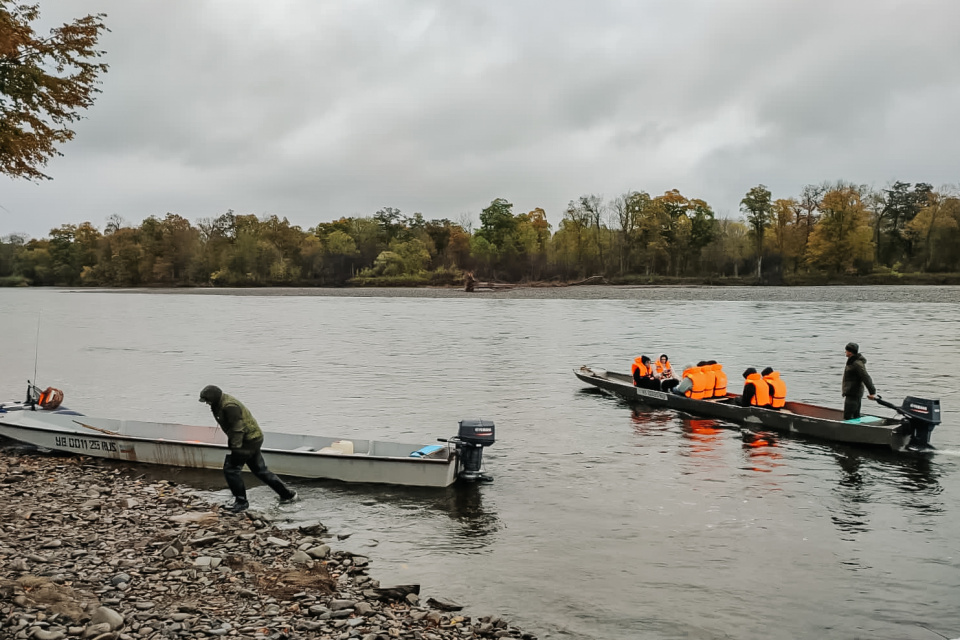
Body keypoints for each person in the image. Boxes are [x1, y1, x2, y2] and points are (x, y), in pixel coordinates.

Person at [199, 385, 298, 512]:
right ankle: (287, 494)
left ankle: (241, 503)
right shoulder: (220, 403)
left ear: (215, 398)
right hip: (254, 438)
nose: (207, 403)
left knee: (231, 470)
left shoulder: (230, 406)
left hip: (247, 441)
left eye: (208, 400)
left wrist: (235, 449)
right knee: (260, 470)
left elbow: (237, 429)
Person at [841, 342, 876, 420]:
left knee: (848, 417)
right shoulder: (851, 361)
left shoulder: (857, 364)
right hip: (851, 393)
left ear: (850, 352)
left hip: (853, 393)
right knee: (855, 416)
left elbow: (866, 377)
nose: (845, 352)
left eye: (846, 350)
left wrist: (872, 392)